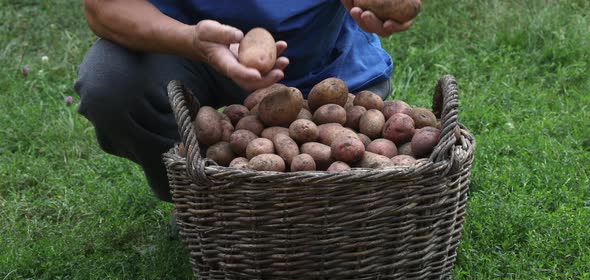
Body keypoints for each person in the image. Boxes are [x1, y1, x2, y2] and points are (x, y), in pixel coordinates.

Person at [75, 0, 414, 202]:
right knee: (109, 81)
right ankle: (201, 201)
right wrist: (192, 40)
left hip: (319, 60)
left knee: (330, 157)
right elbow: (104, 7)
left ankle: (319, 216)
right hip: (187, 42)